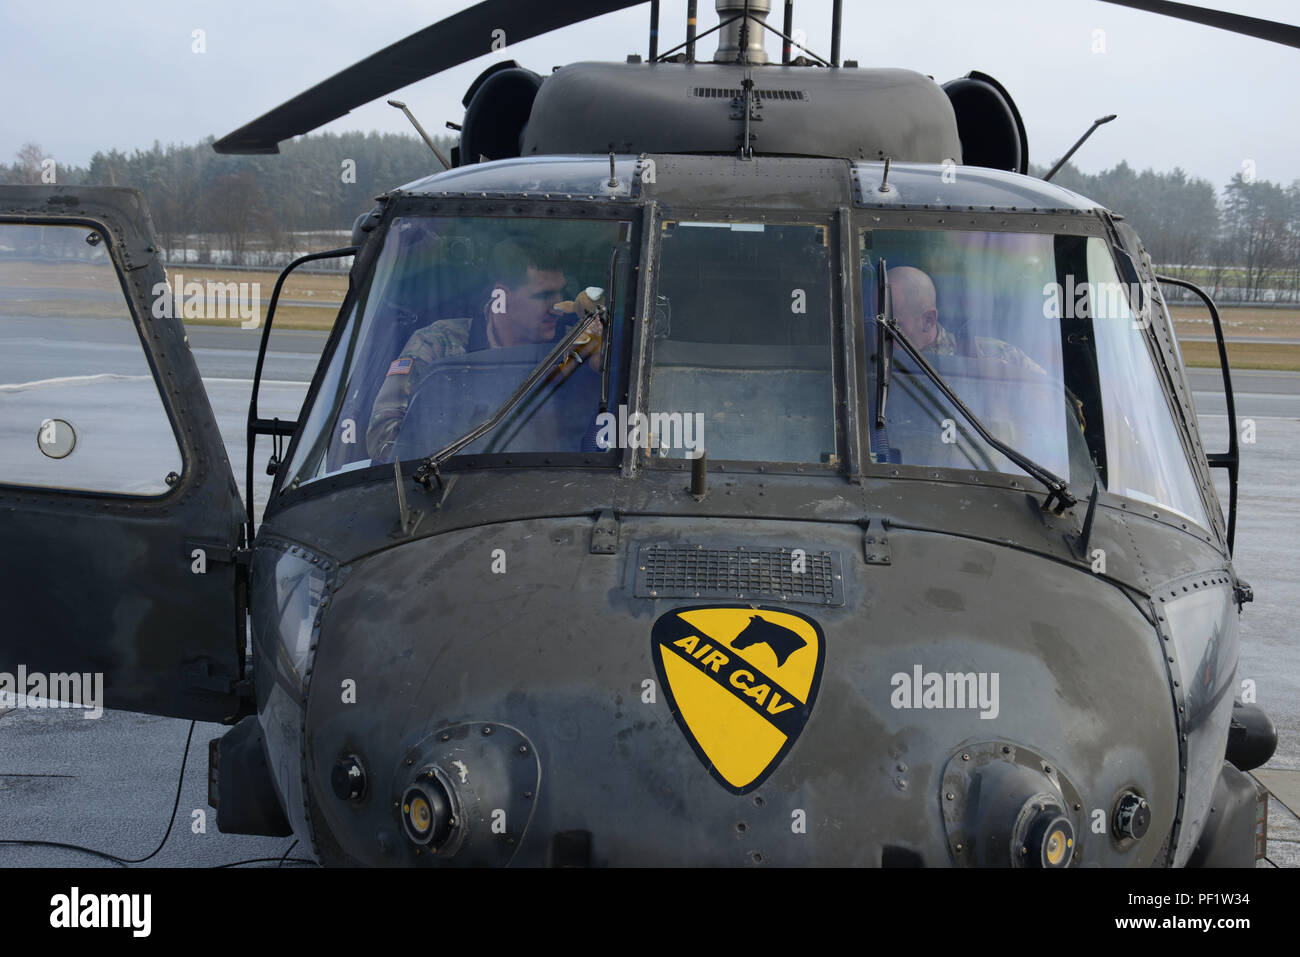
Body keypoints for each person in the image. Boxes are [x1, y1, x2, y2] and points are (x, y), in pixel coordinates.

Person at [366, 239, 597, 458]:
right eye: (544, 296)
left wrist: (600, 355)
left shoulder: (576, 349)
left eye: (560, 293)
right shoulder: (438, 344)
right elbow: (382, 434)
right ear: (502, 296)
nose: (558, 307)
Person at [887, 265, 1046, 374]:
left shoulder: (994, 357)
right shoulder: (870, 365)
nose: (880, 334)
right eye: (876, 324)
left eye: (893, 326)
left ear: (928, 320)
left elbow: (1049, 405)